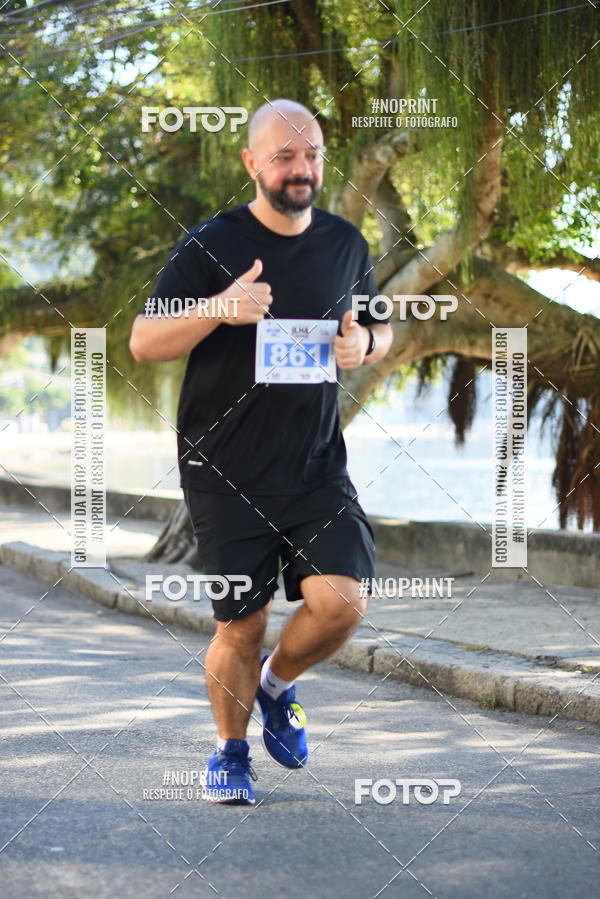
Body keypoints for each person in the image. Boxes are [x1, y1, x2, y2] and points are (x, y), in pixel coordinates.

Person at [129, 98, 393, 805]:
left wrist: (363, 345)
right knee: (240, 624)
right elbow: (143, 340)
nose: (300, 169)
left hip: (314, 464)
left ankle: (277, 686)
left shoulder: (346, 244)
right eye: (284, 156)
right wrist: (219, 307)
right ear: (252, 162)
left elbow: (379, 327)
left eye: (311, 155)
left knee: (343, 601)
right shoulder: (212, 244)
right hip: (226, 469)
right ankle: (230, 752)